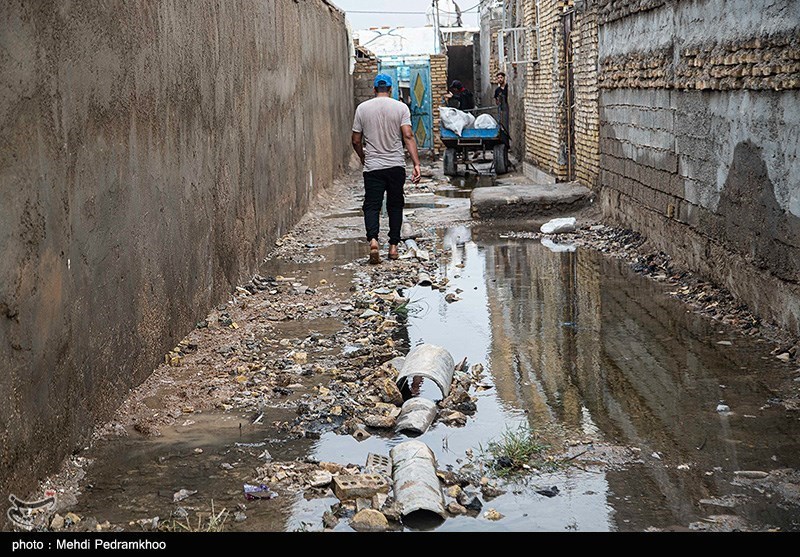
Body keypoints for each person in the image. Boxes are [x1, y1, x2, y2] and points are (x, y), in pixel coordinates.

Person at [352, 73, 422, 264]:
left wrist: (363, 156)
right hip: (395, 166)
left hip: (373, 166)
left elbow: (356, 140)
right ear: (390, 89)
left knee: (372, 205)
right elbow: (408, 136)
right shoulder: (401, 108)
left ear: (374, 89)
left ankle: (373, 241)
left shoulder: (362, 108)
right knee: (395, 205)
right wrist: (416, 163)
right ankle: (393, 247)